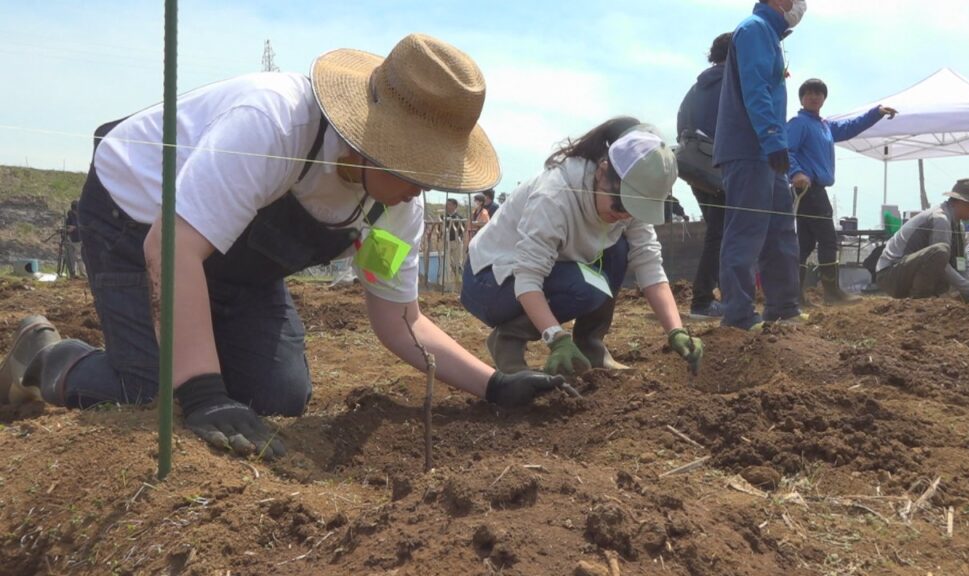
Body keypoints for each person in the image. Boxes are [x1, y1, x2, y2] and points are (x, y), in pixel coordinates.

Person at [0, 34, 564, 460]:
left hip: (236, 264)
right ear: (371, 142)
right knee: (154, 390)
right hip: (137, 217)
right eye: (418, 166)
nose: (426, 186)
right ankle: (46, 359)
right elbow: (170, 248)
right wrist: (200, 393)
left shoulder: (395, 207)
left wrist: (492, 385)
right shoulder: (274, 124)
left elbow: (401, 320)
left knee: (278, 394)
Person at [460, 117, 704, 377]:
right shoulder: (554, 196)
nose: (625, 215)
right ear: (602, 171)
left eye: (634, 210)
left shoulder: (627, 196)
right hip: (489, 281)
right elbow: (528, 276)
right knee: (585, 287)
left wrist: (675, 330)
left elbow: (650, 265)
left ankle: (590, 346)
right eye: (620, 205)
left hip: (548, 272)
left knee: (618, 250)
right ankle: (507, 341)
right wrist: (557, 339)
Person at [713, 0, 808, 330]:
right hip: (749, 148)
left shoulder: (769, 34)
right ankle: (738, 316)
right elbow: (756, 88)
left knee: (779, 231)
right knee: (746, 232)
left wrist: (774, 141)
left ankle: (783, 307)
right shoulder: (754, 31)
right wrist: (771, 136)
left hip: (767, 150)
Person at [787, 78, 897, 306]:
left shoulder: (824, 125)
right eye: (809, 93)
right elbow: (787, 150)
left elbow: (849, 127)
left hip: (814, 190)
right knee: (827, 240)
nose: (814, 97)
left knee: (805, 244)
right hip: (809, 189)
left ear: (824, 99)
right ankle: (832, 293)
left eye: (818, 93)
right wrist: (796, 172)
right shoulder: (799, 123)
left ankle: (795, 296)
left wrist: (875, 113)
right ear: (801, 98)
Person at [676, 32, 732, 320]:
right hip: (723, 167)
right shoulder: (733, 83)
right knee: (722, 233)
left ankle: (723, 295)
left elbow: (681, 126)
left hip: (695, 168)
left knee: (719, 232)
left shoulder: (696, 87)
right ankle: (702, 300)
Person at [875, 178, 969, 302]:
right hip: (890, 275)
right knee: (941, 251)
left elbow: (964, 264)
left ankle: (928, 301)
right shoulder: (940, 219)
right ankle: (919, 302)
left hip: (905, 273)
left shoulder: (958, 226)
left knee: (946, 278)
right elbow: (941, 260)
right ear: (965, 202)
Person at [443, 198, 467, 286]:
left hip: (456, 242)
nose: (447, 206)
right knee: (447, 263)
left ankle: (460, 282)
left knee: (457, 263)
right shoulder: (443, 217)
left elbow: (462, 231)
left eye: (449, 204)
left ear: (454, 206)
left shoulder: (459, 218)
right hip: (446, 243)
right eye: (446, 204)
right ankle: (447, 283)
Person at [63, 199, 83, 279]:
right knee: (70, 257)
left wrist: (74, 228)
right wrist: (67, 229)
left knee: (79, 257)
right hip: (71, 238)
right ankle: (73, 273)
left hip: (79, 238)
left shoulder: (81, 215)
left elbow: (83, 226)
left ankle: (83, 274)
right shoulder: (70, 215)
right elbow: (67, 225)